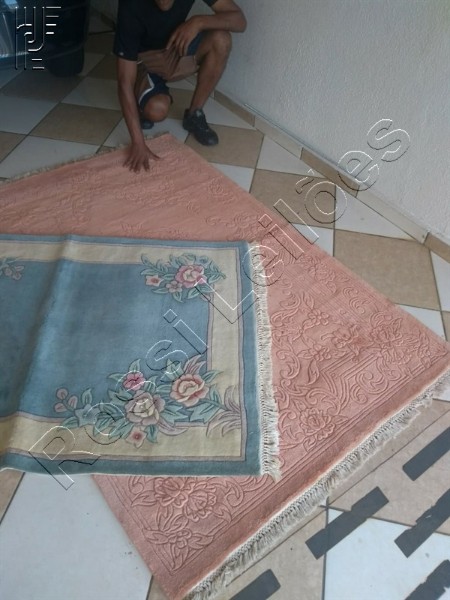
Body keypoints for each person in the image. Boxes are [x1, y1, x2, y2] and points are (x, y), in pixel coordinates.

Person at [114, 0, 247, 173]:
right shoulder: (130, 5)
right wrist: (138, 142)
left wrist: (198, 22)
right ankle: (142, 101)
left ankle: (194, 115)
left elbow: (239, 20)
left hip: (175, 47)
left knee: (221, 39)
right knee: (156, 110)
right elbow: (124, 80)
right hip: (145, 61)